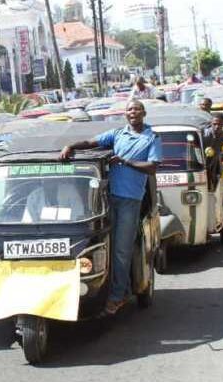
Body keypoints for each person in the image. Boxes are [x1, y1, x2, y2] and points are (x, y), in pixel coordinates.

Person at [60, 100, 162, 316]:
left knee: (122, 251)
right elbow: (91, 142)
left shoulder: (152, 137)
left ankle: (117, 297)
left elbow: (152, 167)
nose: (132, 112)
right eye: (129, 110)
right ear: (125, 114)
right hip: (108, 199)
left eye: (136, 109)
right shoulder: (117, 134)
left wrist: (125, 161)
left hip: (130, 200)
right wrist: (71, 146)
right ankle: (117, 290)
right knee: (105, 247)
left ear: (143, 113)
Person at [204, 115, 223, 191]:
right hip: (205, 161)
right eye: (215, 124)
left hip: (216, 159)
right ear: (211, 124)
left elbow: (220, 148)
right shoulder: (206, 135)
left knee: (219, 175)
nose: (217, 126)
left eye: (219, 124)